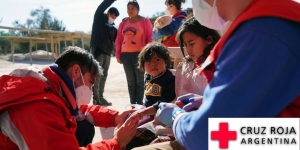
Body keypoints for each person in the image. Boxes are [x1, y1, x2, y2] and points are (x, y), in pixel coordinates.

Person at [155, 0, 300, 150]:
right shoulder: (276, 20)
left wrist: (176, 117)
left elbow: (206, 136)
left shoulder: (261, 33)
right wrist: (210, 103)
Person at [0, 46, 139, 150]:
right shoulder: (37, 104)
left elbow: (82, 110)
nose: (90, 90)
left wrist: (115, 117)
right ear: (76, 71)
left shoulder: (46, 84)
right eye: (90, 82)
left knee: (84, 125)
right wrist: (116, 142)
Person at [129, 17, 221, 150]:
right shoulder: (185, 65)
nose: (188, 49)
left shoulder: (220, 67)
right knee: (129, 137)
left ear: (209, 39)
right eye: (185, 44)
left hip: (197, 128)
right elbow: (177, 96)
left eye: (192, 43)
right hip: (172, 121)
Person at [123, 42, 176, 149]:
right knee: (126, 120)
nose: (153, 64)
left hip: (157, 114)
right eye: (148, 61)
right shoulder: (148, 77)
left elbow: (165, 102)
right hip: (146, 109)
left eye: (157, 60)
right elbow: (148, 98)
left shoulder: (169, 79)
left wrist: (144, 112)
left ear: (166, 61)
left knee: (132, 129)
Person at [115, 1, 153, 105]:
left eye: (133, 8)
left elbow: (150, 38)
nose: (130, 11)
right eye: (128, 8)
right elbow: (118, 39)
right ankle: (132, 104)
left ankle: (139, 104)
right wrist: (118, 54)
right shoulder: (123, 23)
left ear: (138, 9)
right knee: (130, 81)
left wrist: (149, 53)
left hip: (139, 55)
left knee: (140, 81)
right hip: (125, 55)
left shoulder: (145, 21)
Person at [90, 0, 120, 106]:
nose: (113, 18)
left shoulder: (113, 29)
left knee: (104, 75)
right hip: (98, 50)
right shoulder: (99, 18)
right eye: (112, 15)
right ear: (108, 13)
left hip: (107, 52)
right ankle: (95, 98)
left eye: (115, 17)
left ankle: (101, 97)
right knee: (96, 74)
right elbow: (103, 5)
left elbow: (116, 42)